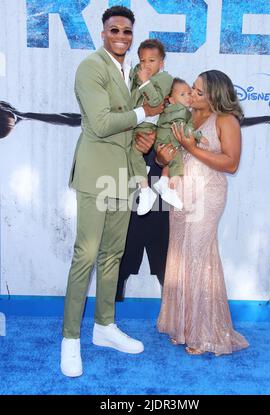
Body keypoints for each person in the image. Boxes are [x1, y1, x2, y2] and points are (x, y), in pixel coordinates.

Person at [60, 6, 163, 377]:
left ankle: (104, 327)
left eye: (127, 31)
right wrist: (142, 115)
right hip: (94, 175)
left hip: (121, 177)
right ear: (103, 33)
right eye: (114, 29)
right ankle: (70, 340)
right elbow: (103, 124)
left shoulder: (130, 72)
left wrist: (140, 172)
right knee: (85, 256)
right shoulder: (91, 67)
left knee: (112, 256)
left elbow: (134, 135)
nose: (121, 35)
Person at [156, 70, 249, 356]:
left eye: (198, 91)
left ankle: (205, 333)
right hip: (180, 194)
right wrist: (164, 154)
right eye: (192, 90)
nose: (192, 95)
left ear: (214, 95)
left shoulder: (225, 120)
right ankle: (182, 327)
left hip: (207, 195)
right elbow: (166, 155)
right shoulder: (183, 115)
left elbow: (231, 163)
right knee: (179, 255)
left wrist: (190, 147)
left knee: (198, 256)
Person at [130, 39, 173, 215]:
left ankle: (146, 191)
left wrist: (145, 82)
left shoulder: (165, 78)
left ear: (161, 63)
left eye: (152, 60)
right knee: (132, 154)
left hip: (148, 125)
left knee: (134, 152)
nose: (146, 65)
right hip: (134, 122)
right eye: (142, 60)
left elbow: (155, 102)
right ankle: (141, 171)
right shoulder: (137, 77)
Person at [154, 78, 203, 210]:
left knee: (170, 162)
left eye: (188, 93)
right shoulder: (182, 111)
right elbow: (185, 130)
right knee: (177, 165)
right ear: (171, 99)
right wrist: (198, 136)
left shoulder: (170, 110)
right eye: (182, 95)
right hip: (170, 142)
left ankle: (163, 181)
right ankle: (171, 190)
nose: (188, 97)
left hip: (164, 142)